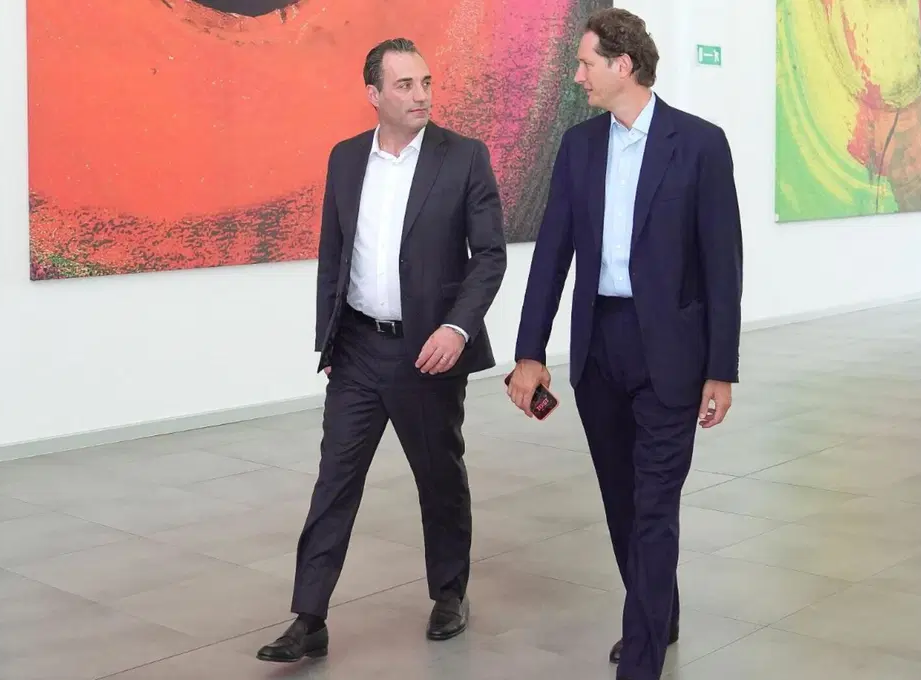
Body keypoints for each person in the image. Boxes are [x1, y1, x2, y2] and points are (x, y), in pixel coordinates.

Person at [505, 8, 743, 680]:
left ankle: (640, 659)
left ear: (623, 65)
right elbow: (552, 255)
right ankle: (658, 613)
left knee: (655, 506)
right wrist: (529, 352)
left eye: (586, 64)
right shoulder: (579, 146)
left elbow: (723, 265)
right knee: (621, 499)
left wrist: (721, 369)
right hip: (599, 346)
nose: (577, 76)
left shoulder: (699, 144)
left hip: (671, 352)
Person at [257, 37, 507, 663]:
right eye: (405, 85)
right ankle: (308, 617)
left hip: (429, 351)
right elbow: (332, 256)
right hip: (358, 350)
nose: (421, 95)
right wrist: (330, 340)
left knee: (439, 478)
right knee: (334, 481)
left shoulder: (464, 157)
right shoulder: (346, 159)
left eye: (426, 82)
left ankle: (449, 594)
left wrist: (456, 330)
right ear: (373, 94)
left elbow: (489, 256)